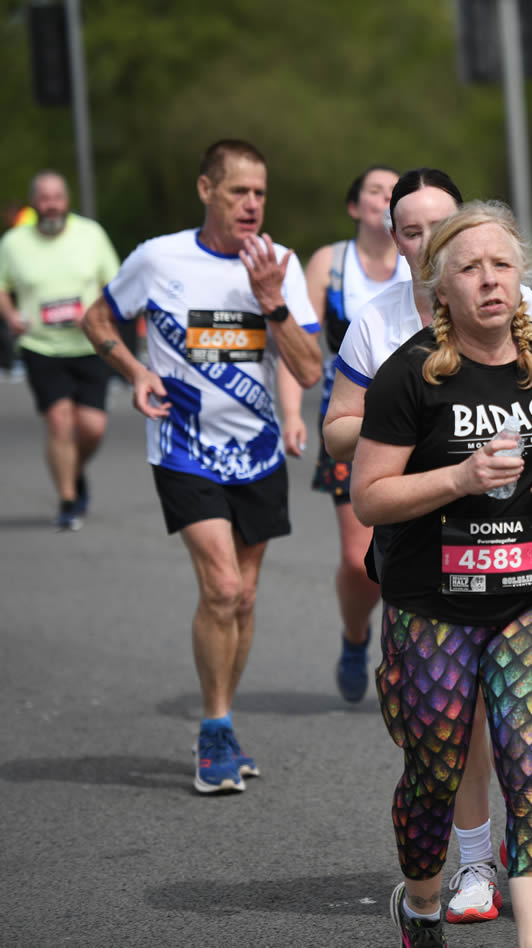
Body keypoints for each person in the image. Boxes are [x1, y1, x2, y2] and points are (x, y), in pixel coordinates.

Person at [323, 168, 532, 925]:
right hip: (426, 572)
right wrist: (441, 453)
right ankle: (428, 894)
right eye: (415, 231)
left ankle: (487, 877)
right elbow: (351, 455)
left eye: (446, 227)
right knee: (440, 754)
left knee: (529, 755)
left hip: (527, 578)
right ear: (408, 250)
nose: (432, 241)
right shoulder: (387, 339)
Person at [80, 139, 324, 794]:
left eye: (260, 194)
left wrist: (270, 299)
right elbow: (96, 317)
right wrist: (133, 372)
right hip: (184, 447)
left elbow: (307, 370)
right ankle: (213, 727)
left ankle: (225, 720)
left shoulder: (280, 265)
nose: (252, 204)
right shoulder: (160, 259)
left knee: (243, 597)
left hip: (258, 451)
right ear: (206, 190)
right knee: (220, 588)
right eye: (239, 190)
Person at [288, 164, 409, 704]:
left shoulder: (426, 261)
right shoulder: (329, 264)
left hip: (419, 419)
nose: (386, 200)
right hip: (351, 421)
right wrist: (291, 413)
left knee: (421, 549)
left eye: (395, 192)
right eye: (375, 192)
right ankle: (356, 637)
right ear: (355, 206)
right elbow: (298, 353)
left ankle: (412, 653)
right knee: (360, 559)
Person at [0, 170, 120, 530]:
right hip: (41, 346)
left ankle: (73, 468)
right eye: (44, 198)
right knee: (58, 421)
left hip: (89, 343)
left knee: (92, 427)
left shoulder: (91, 234)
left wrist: (101, 314)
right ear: (35, 203)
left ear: (67, 201)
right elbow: (1, 286)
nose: (51, 205)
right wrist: (11, 317)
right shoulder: (14, 242)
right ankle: (68, 500)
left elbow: (113, 282)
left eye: (58, 198)